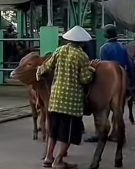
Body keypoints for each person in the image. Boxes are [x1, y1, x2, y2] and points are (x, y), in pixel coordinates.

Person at [37, 25, 96, 169]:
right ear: (82, 42)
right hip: (71, 102)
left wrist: (39, 72)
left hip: (55, 98)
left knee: (54, 131)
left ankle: (48, 157)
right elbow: (84, 79)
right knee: (67, 134)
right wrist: (92, 71)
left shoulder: (59, 50)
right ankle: (58, 161)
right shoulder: (82, 56)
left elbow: (47, 68)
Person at [85, 24, 134, 143]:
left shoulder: (104, 48)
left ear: (106, 34)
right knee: (118, 108)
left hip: (108, 81)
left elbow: (102, 66)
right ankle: (115, 132)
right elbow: (129, 64)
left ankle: (100, 132)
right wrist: (130, 80)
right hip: (122, 79)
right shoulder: (122, 47)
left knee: (102, 107)